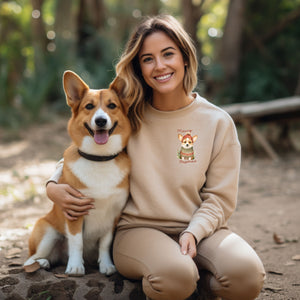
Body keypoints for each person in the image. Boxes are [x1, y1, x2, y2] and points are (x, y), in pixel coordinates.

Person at [46, 15, 265, 300]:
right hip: (136, 230)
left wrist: (194, 233)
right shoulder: (127, 116)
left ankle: (197, 286)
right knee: (174, 277)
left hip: (200, 229)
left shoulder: (217, 122)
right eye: (148, 59)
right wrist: (53, 185)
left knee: (246, 278)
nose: (159, 66)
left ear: (185, 57)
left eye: (168, 54)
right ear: (138, 67)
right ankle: (178, 279)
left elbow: (220, 199)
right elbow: (84, 153)